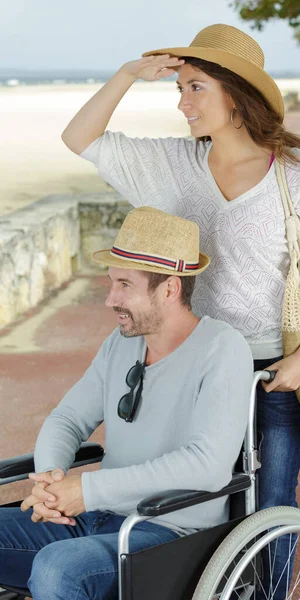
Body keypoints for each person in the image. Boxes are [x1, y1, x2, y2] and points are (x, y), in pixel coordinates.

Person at [61, 24, 300, 599]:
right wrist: (126, 75)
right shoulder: (176, 165)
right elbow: (80, 137)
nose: (182, 101)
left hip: (271, 372)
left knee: (268, 497)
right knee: (199, 496)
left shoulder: (294, 176)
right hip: (192, 365)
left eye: (195, 87)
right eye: (181, 88)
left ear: (235, 95)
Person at [0, 207, 254, 598]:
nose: (109, 299)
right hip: (93, 518)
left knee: (57, 568)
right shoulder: (121, 344)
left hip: (167, 532)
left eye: (124, 286)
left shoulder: (222, 348)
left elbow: (207, 465)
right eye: (111, 283)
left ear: (169, 288)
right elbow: (67, 419)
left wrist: (88, 490)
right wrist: (50, 482)